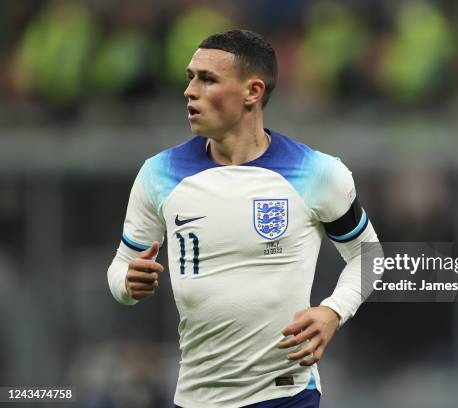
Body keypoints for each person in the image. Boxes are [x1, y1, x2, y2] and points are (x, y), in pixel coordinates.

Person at [107, 29, 379, 408]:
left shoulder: (317, 172)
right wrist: (126, 283)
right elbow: (121, 267)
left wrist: (333, 311)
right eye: (190, 78)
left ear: (252, 92)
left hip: (286, 394)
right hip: (197, 398)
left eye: (208, 79)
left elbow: (369, 257)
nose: (190, 91)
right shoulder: (159, 174)